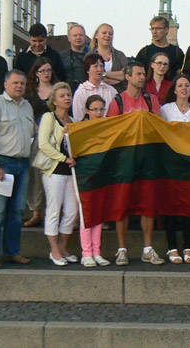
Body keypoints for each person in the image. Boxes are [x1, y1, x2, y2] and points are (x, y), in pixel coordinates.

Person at [105, 61, 165, 266]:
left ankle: (148, 249)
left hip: (147, 158)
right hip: (124, 159)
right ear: (127, 77)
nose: (142, 77)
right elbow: (110, 131)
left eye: (143, 74)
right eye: (138, 74)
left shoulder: (151, 100)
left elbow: (157, 127)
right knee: (122, 204)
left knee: (148, 205)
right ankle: (122, 250)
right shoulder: (118, 101)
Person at [0, 69, 36, 269]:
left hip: (22, 164)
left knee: (17, 211)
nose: (19, 86)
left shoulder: (27, 106)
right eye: (15, 83)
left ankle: (12, 252)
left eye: (22, 83)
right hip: (2, 163)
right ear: (6, 84)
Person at [159, 74, 190, 264]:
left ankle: (188, 247)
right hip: (170, 163)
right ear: (174, 89)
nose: (184, 88)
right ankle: (172, 247)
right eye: (180, 85)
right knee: (170, 205)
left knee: (189, 205)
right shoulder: (165, 109)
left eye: (187, 85)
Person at [37, 82, 79, 266]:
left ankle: (63, 247)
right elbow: (43, 144)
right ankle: (54, 250)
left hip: (70, 172)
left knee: (72, 211)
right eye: (62, 95)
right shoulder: (49, 117)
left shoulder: (73, 120)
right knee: (54, 210)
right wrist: (63, 158)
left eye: (68, 95)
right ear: (54, 100)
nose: (67, 98)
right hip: (54, 170)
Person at [77, 94, 112, 268]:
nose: (98, 113)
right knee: (87, 214)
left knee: (99, 214)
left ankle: (97, 252)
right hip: (85, 175)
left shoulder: (106, 128)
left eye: (101, 109)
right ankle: (86, 253)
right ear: (87, 111)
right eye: (95, 109)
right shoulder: (80, 128)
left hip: (101, 175)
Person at [22, 57, 58, 228]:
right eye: (42, 71)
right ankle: (36, 211)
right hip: (35, 137)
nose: (46, 74)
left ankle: (54, 213)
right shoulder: (29, 91)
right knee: (35, 174)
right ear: (36, 73)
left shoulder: (57, 90)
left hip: (55, 137)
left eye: (49, 70)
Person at [135, 15, 185, 81]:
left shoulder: (176, 52)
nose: (154, 32)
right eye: (152, 28)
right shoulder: (145, 52)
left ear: (166, 30)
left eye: (158, 28)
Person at [72, 53, 118, 122]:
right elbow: (78, 117)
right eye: (95, 66)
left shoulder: (111, 90)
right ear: (87, 70)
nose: (99, 69)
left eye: (101, 66)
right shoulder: (81, 92)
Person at [60, 23, 88, 92]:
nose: (78, 37)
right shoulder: (61, 57)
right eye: (75, 35)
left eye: (81, 35)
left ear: (85, 37)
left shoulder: (92, 56)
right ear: (69, 38)